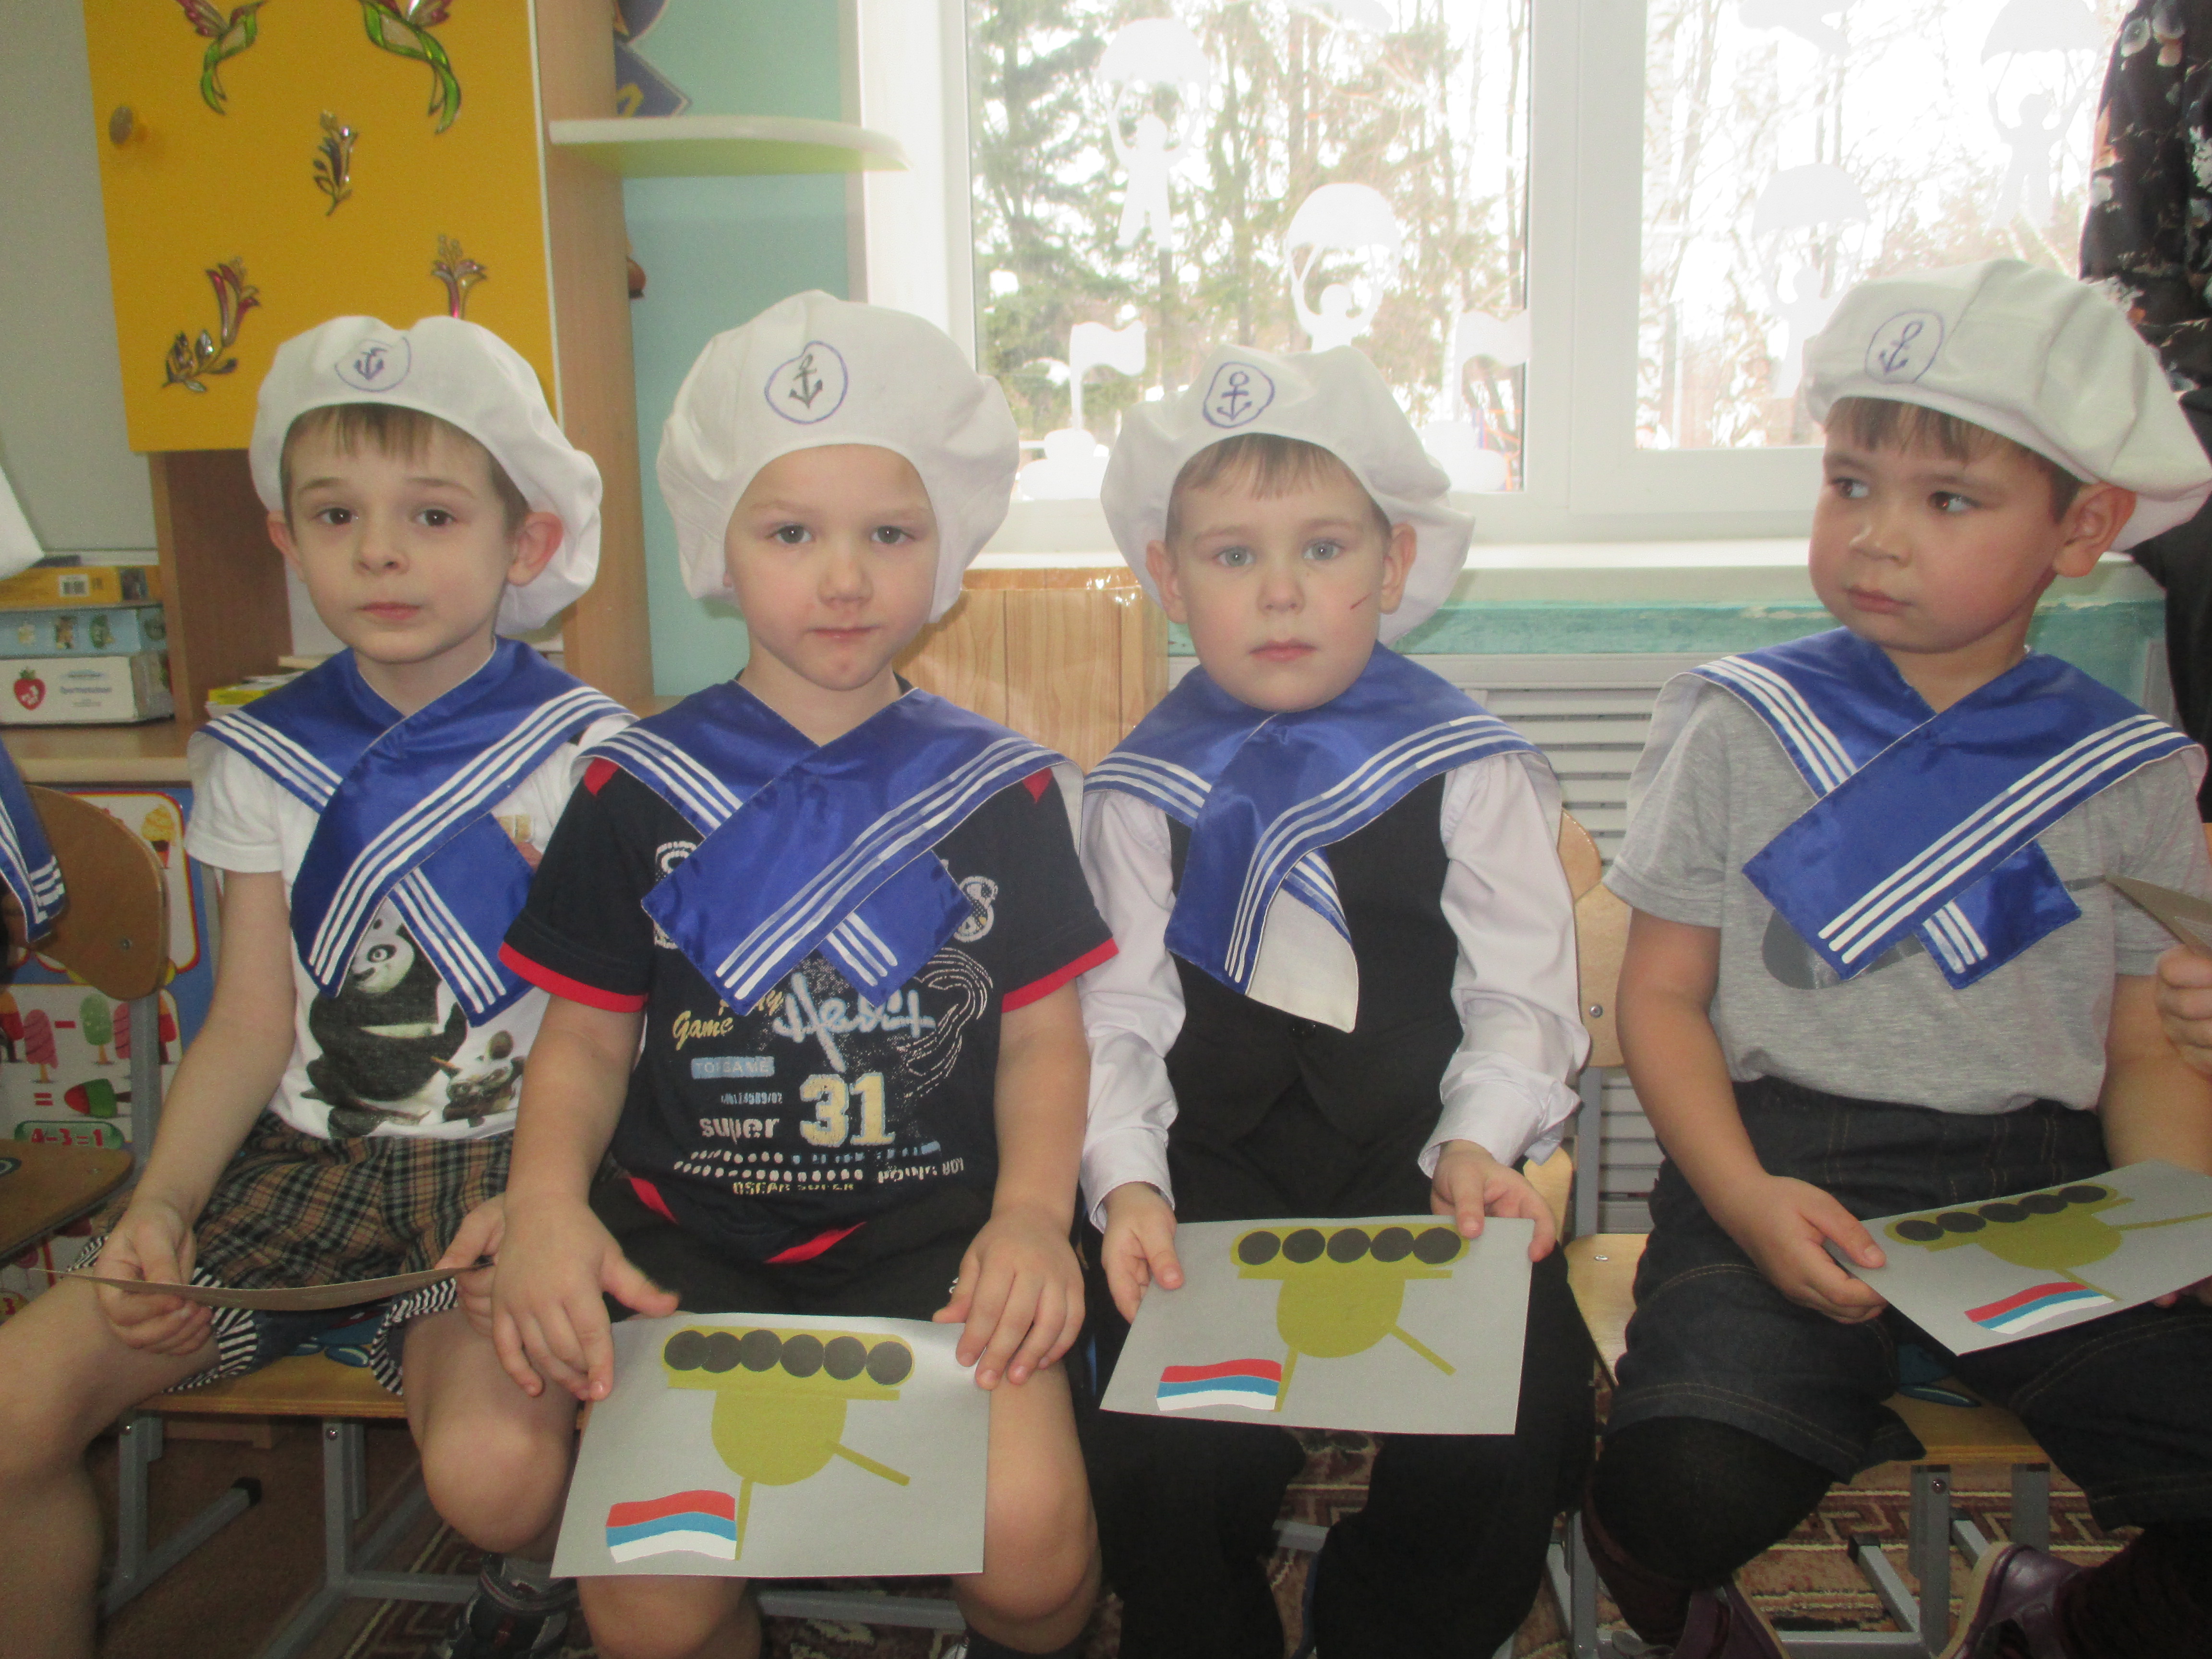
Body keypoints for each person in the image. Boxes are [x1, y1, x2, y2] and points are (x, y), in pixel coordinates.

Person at [1581, 259, 2212, 1659]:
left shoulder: (2134, 769)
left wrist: (2172, 1226)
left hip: (2047, 1189)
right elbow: (1664, 997)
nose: (1876, 536)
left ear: (2083, 527)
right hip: (1780, 1162)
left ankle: (2065, 1625)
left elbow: (2144, 1045)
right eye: (1849, 483)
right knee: (1683, 1484)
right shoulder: (1737, 723)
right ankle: (1674, 1587)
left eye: (1949, 500)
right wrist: (1743, 1201)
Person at [482, 291, 1113, 1659]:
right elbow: (582, 1042)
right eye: (790, 534)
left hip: (944, 1241)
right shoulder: (632, 787)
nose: (844, 580)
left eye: (890, 534)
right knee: (649, 1603)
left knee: (1034, 1552)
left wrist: (1029, 1220)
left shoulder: (1002, 792)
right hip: (687, 1248)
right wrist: (541, 1205)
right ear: (719, 544)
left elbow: (1042, 1040)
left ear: (946, 547)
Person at [0, 314, 631, 1659]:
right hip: (296, 1172)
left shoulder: (589, 755)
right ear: (287, 540)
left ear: (524, 545)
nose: (380, 552)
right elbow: (246, 1023)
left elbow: (613, 1031)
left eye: (432, 515)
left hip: (500, 1175)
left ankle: (540, 1578)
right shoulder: (258, 755)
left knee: (495, 1482)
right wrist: (161, 1206)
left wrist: (549, 1208)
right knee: (11, 1410)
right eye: (337, 515)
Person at [1076, 342, 1597, 1659]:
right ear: (1167, 577)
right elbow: (1117, 1016)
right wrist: (1127, 1184)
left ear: (1396, 562)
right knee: (1151, 1450)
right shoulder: (1137, 789)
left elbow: (1522, 993)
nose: (1282, 592)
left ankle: (1387, 1621)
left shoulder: (1468, 765)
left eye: (1323, 548)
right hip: (1209, 1166)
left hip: (1422, 1156)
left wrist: (1480, 1143)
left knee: (1519, 1414)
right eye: (1232, 555)